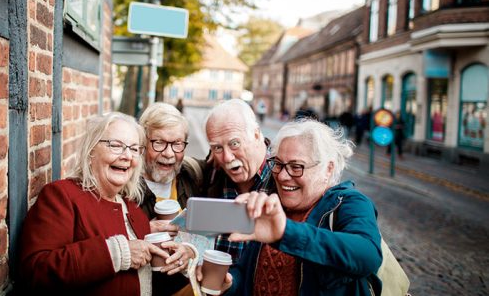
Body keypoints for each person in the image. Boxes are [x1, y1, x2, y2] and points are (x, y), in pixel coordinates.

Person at [19, 112, 189, 295]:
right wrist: (118, 253)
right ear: (91, 151)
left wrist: (182, 259)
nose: (127, 156)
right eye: (116, 145)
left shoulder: (135, 212)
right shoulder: (62, 196)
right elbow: (35, 273)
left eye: (134, 149)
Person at [224, 119, 383, 295]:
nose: (283, 176)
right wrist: (228, 283)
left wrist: (285, 232)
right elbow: (246, 273)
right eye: (278, 164)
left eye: (296, 167)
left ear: (328, 169)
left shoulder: (349, 202)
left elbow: (368, 255)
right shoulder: (273, 205)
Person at [138, 102, 207, 295]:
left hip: (186, 288)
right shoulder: (125, 184)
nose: (169, 154)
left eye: (177, 144)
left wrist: (191, 251)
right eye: (159, 142)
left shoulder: (194, 175)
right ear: (143, 143)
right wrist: (141, 231)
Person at [204, 99, 275, 263]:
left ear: (256, 135)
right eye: (217, 148)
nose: (227, 157)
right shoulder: (211, 174)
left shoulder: (284, 178)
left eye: (234, 143)